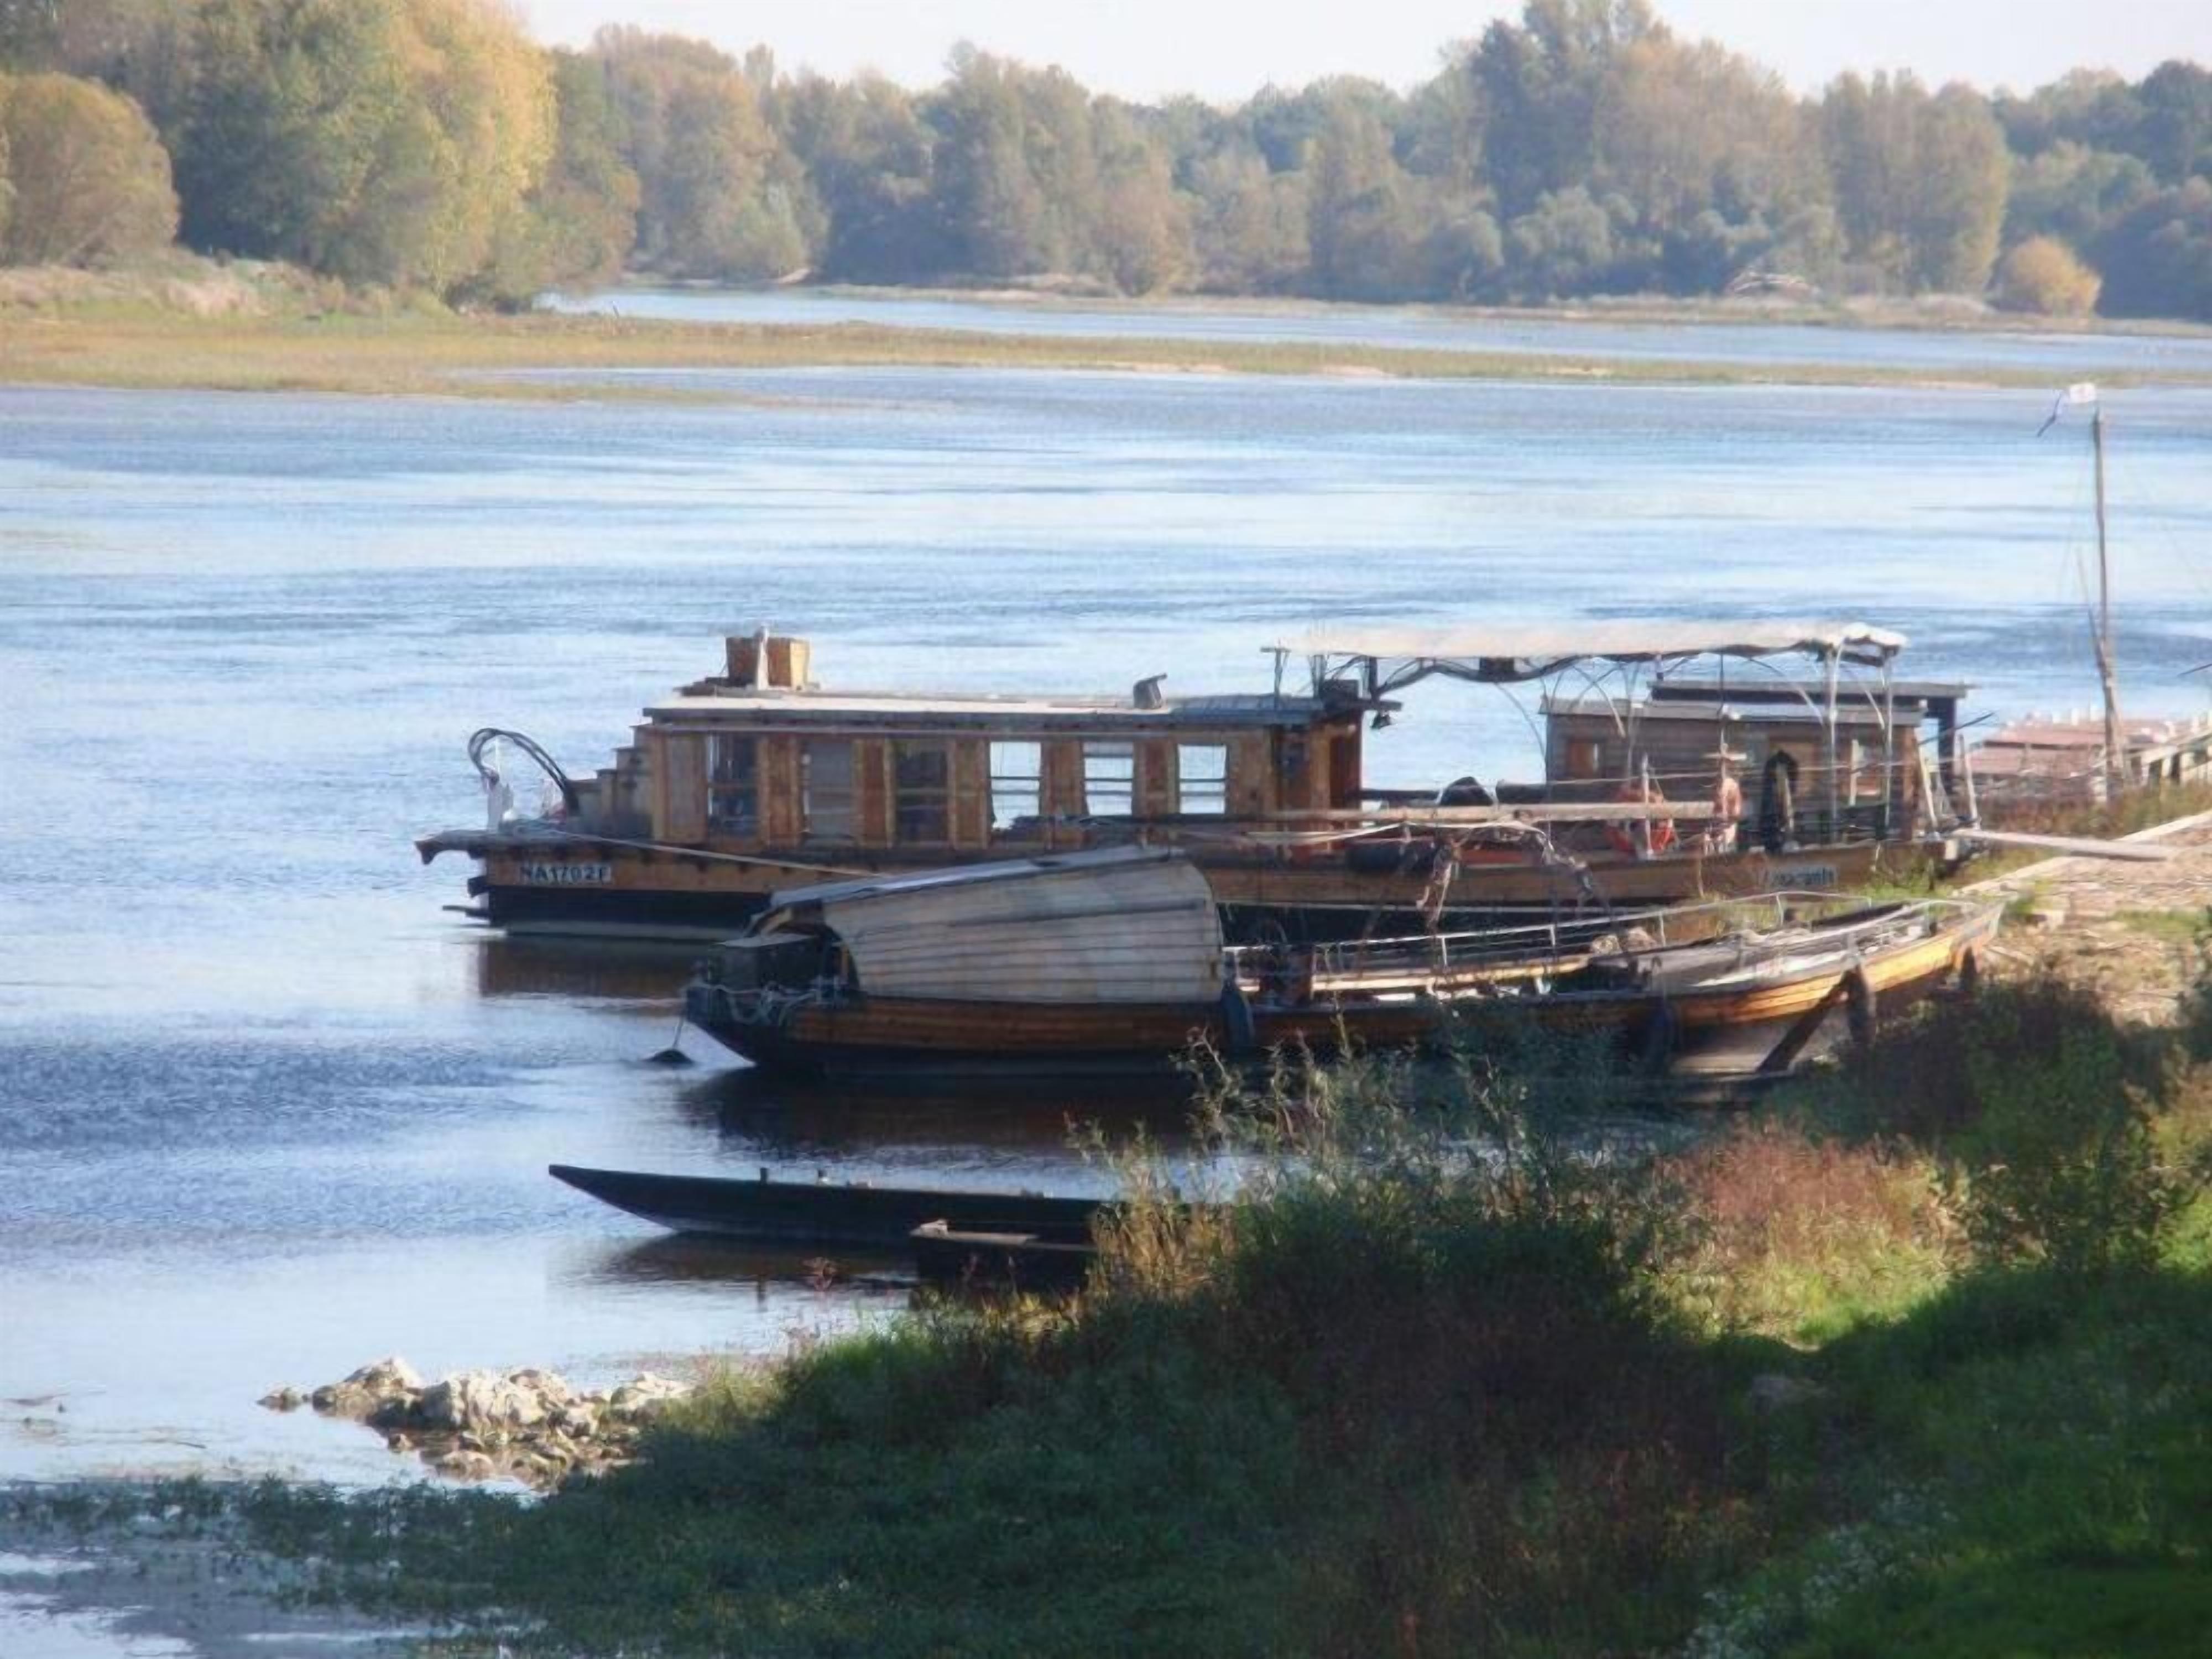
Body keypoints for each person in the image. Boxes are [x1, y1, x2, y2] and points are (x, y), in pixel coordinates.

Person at [1704, 749, 1746, 852]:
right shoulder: (1719, 786)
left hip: (1728, 827)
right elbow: (1715, 810)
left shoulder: (1732, 786)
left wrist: (1726, 814)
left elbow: (1735, 813)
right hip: (1716, 826)